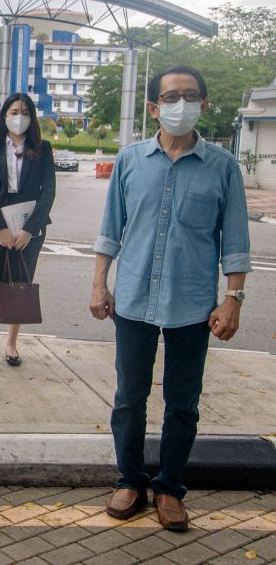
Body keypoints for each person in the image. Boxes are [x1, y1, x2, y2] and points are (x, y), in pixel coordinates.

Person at [90, 65, 251, 532]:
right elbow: (110, 230)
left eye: (190, 95)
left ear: (204, 103)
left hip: (193, 305)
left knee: (182, 402)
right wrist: (99, 284)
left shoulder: (222, 166)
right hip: (133, 300)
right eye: (171, 97)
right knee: (129, 398)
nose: (182, 104)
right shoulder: (130, 160)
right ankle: (130, 480)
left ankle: (169, 488)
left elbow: (235, 241)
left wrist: (233, 299)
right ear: (154, 107)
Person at [0, 93, 55, 369]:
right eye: (14, 112)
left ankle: (11, 344)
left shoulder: (42, 149)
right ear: (4, 116)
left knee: (20, 283)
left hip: (29, 229)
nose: (19, 118)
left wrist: (30, 229)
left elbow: (48, 192)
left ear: (32, 117)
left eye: (25, 112)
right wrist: (1, 228)